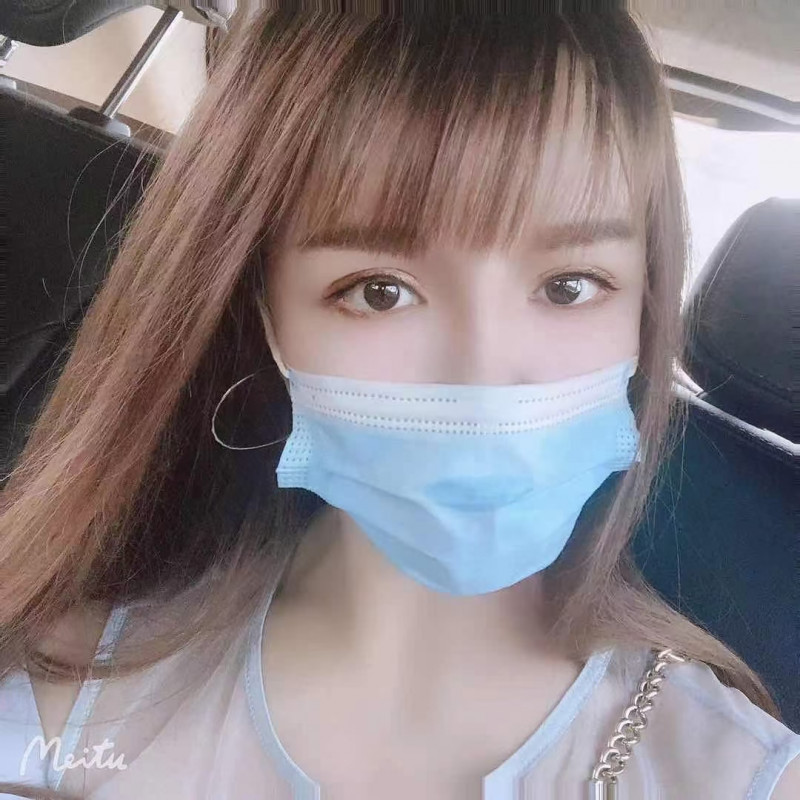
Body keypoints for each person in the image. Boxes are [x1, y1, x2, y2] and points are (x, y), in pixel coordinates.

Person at [0, 5, 798, 799]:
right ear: (266, 314)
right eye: (379, 291)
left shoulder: (741, 777)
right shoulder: (58, 708)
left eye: (569, 286)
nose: (483, 376)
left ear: (643, 312)